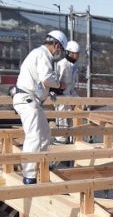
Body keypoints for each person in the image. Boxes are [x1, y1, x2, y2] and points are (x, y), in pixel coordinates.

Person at [13, 30, 67, 183]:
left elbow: (40, 81)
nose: (59, 52)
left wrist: (51, 89)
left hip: (31, 101)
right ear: (56, 45)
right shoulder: (43, 54)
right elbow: (46, 78)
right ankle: (29, 176)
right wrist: (58, 85)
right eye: (60, 49)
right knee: (35, 136)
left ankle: (41, 167)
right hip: (27, 100)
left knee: (45, 134)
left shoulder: (39, 54)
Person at [51, 40, 81, 143]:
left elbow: (71, 88)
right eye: (76, 54)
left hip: (69, 97)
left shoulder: (74, 67)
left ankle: (72, 143)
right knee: (62, 123)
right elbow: (54, 84)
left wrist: (79, 101)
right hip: (61, 99)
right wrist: (57, 90)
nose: (77, 56)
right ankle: (61, 144)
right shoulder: (62, 65)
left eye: (78, 54)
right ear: (69, 53)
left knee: (72, 123)